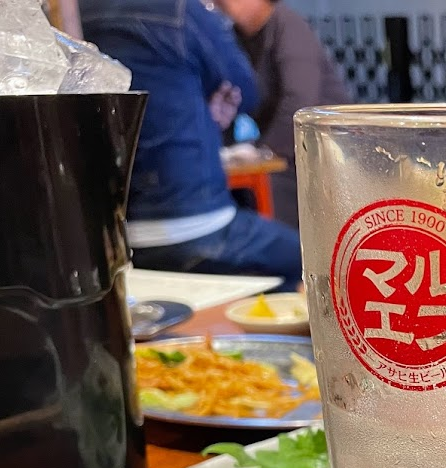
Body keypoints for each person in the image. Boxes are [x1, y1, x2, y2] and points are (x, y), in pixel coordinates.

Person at [79, 0, 303, 286]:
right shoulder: (178, 9)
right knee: (306, 260)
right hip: (196, 223)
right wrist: (207, 99)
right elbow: (245, 89)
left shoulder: (75, 14)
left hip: (116, 236)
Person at [216, 0, 351, 228]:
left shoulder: (287, 25)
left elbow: (299, 101)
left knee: (268, 194)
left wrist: (264, 151)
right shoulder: (235, 38)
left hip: (324, 152)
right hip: (286, 152)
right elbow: (233, 97)